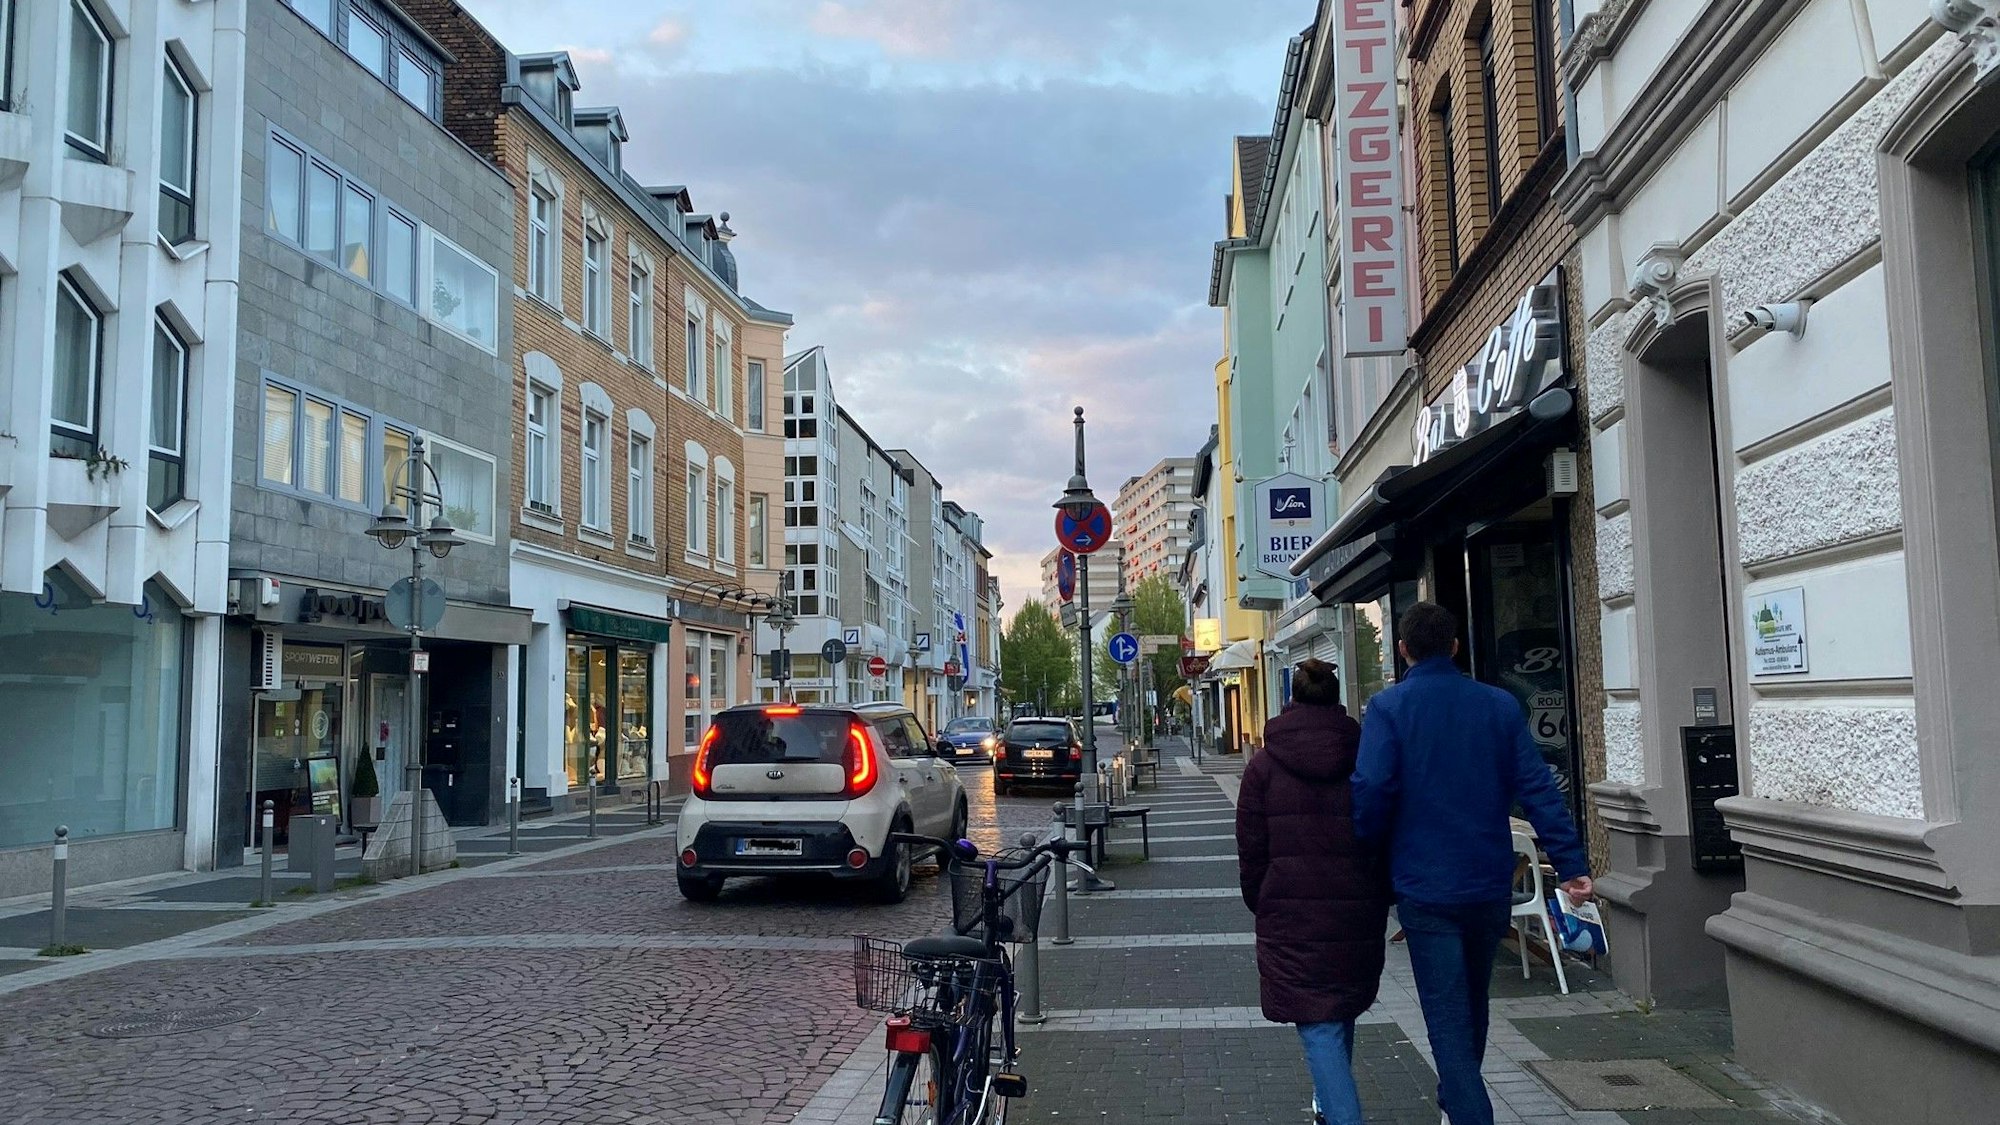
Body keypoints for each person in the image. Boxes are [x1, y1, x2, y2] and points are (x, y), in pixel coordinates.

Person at [1352, 602, 1592, 1125]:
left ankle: (1467, 1108)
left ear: (1403, 650)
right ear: (1456, 646)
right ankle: (1457, 1099)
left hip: (1424, 886)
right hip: (1487, 881)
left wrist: (1367, 851)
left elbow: (1370, 788)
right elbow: (1537, 788)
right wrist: (1571, 863)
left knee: (1445, 1016)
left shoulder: (1389, 708)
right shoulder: (1499, 706)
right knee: (1472, 1004)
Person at [1236, 659, 1391, 1125]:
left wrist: (1261, 898)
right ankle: (1328, 1105)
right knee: (1338, 1007)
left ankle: (1342, 1115)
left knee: (1319, 1021)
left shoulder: (1264, 765)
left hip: (1290, 910)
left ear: (1293, 697)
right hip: (1357, 906)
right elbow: (1384, 824)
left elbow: (1250, 844)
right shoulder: (1364, 753)